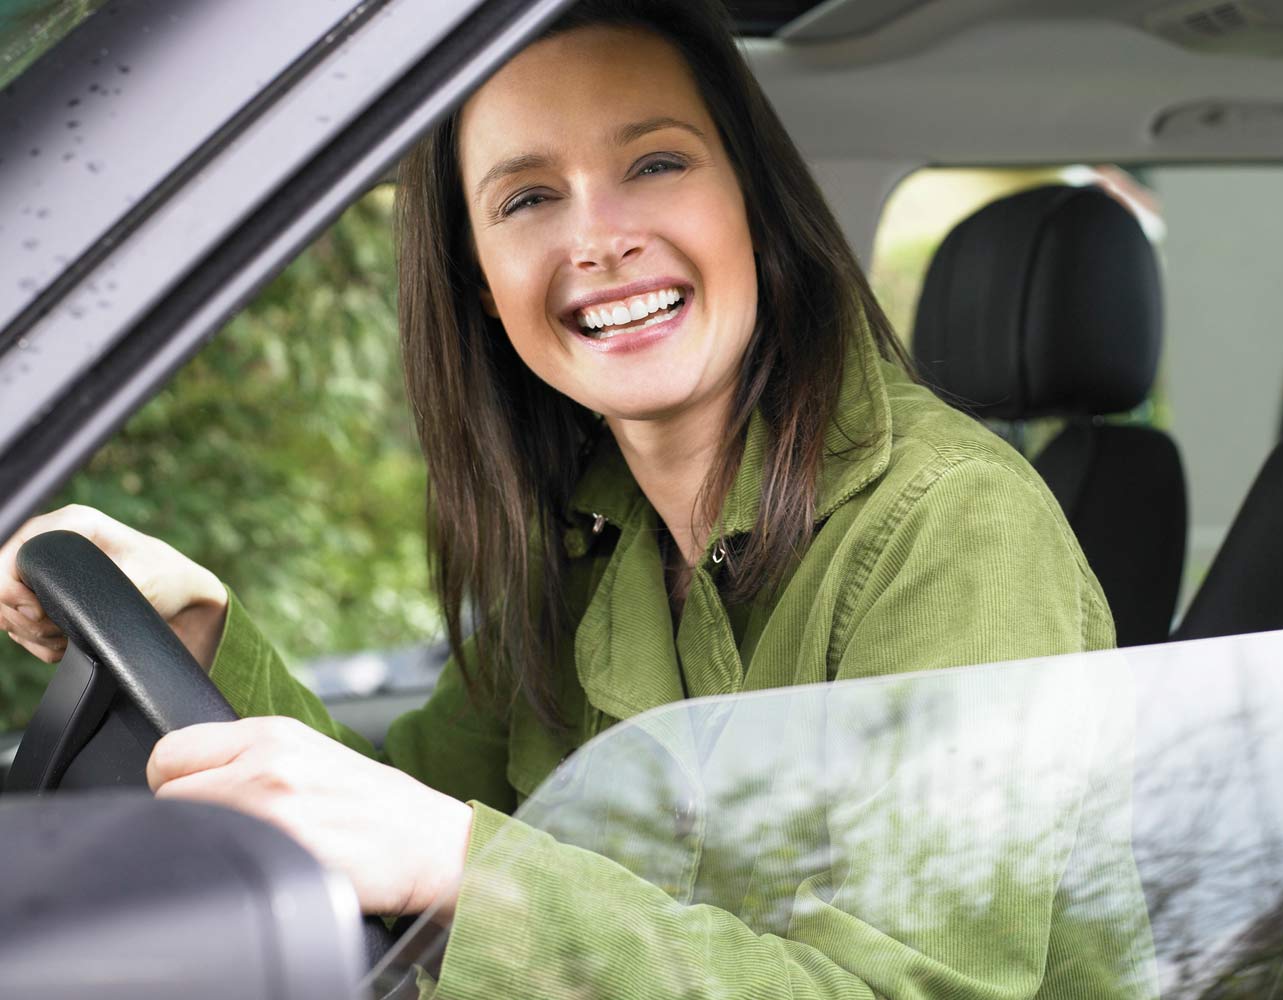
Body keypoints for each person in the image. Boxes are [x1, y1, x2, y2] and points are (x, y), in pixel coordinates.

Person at [0, 1, 1149, 996]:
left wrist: (468, 868)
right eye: (529, 198)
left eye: (655, 163)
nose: (600, 239)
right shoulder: (592, 542)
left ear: (750, 199)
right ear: (481, 283)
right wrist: (206, 644)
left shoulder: (956, 526)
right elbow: (395, 822)